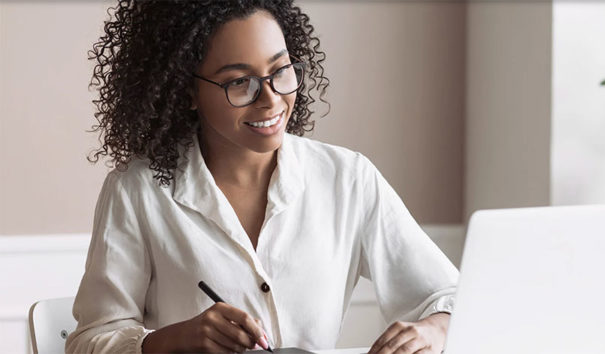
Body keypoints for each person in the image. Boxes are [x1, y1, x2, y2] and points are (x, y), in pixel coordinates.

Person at [65, 1, 458, 353]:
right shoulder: (138, 191)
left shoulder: (348, 179)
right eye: (240, 82)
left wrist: (434, 331)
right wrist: (174, 340)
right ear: (186, 91)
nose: (270, 99)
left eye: (281, 71)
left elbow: (448, 297)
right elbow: (88, 341)